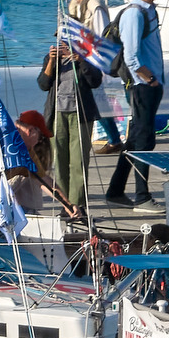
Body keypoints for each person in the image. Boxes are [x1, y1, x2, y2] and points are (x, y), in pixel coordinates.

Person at [104, 0, 166, 214]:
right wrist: (149, 79)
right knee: (144, 141)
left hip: (151, 85)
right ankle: (142, 197)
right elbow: (131, 56)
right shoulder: (134, 13)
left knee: (135, 140)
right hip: (141, 86)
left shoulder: (150, 10)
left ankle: (115, 191)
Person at [36, 28, 104, 224]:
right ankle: (65, 204)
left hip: (80, 114)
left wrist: (80, 60)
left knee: (79, 160)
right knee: (60, 160)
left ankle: (78, 203)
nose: (62, 44)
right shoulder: (51, 59)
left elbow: (95, 81)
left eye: (66, 40)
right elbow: (43, 84)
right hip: (57, 114)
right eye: (60, 40)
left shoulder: (85, 57)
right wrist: (51, 61)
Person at [64, 0, 121, 156]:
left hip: (94, 62)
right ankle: (113, 139)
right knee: (96, 101)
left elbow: (102, 36)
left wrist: (101, 66)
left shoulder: (94, 6)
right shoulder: (74, 4)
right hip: (80, 60)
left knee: (98, 101)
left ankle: (114, 139)